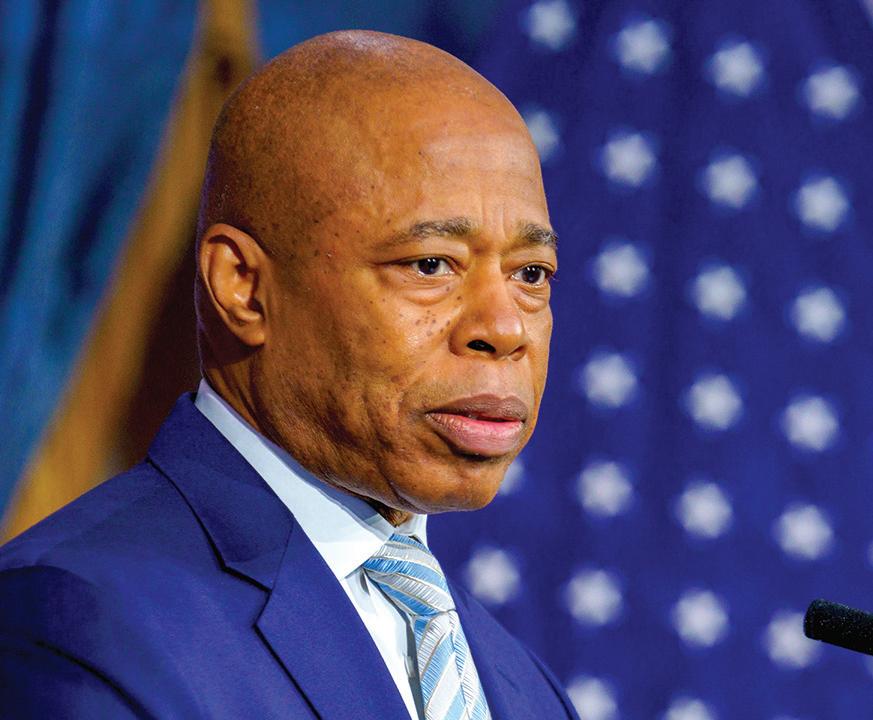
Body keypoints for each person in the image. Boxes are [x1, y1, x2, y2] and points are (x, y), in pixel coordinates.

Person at [0, 31, 578, 719]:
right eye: (430, 265)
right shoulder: (72, 624)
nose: (506, 329)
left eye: (530, 274)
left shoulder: (526, 688)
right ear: (242, 286)